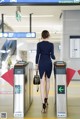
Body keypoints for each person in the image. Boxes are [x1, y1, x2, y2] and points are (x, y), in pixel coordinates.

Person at [35, 30, 55, 113]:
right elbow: (52, 56)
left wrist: (36, 64)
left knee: (42, 82)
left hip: (41, 63)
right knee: (48, 80)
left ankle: (43, 103)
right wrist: (54, 58)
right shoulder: (51, 45)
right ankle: (46, 98)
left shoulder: (39, 44)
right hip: (48, 63)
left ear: (42, 36)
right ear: (48, 36)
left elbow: (37, 55)